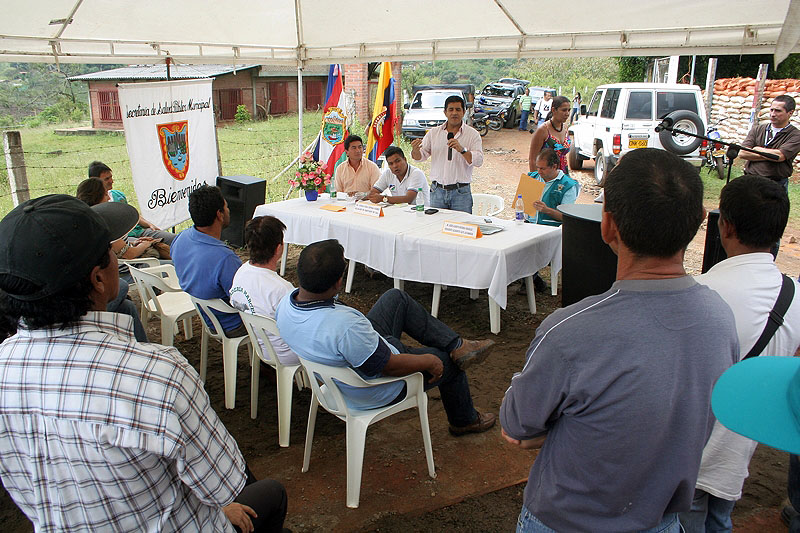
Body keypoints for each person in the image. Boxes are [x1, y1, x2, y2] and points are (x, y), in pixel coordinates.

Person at [0, 195, 287, 532]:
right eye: (112, 251)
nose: (118, 256)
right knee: (272, 494)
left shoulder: (5, 368)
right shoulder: (158, 374)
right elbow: (224, 484)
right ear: (98, 279)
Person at [500, 148, 739, 533]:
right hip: (661, 519)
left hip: (565, 521)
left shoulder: (569, 331)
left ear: (607, 225)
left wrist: (551, 432)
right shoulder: (720, 318)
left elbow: (516, 425)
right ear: (698, 222)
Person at [275, 239, 497, 436]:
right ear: (338, 283)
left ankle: (458, 344)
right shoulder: (345, 326)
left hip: (345, 368)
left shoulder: (285, 305)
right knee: (449, 362)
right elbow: (387, 367)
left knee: (396, 298)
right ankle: (464, 420)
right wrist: (430, 361)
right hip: (373, 389)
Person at [679, 176, 800, 533]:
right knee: (720, 520)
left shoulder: (698, 293)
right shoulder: (795, 295)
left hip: (693, 454)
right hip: (740, 449)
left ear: (725, 225)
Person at [171, 184, 245, 337]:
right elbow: (245, 301)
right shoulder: (225, 258)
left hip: (206, 316)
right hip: (232, 325)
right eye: (226, 206)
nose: (228, 210)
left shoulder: (181, 238)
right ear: (219, 214)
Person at [229, 215, 300, 366]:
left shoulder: (241, 272)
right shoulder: (282, 289)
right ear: (279, 248)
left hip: (260, 345)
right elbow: (300, 327)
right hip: (287, 354)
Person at [410, 95, 484, 213]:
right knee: (436, 224)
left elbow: (479, 161)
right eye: (451, 109)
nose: (454, 113)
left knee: (461, 224)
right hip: (437, 191)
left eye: (458, 109)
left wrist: (462, 150)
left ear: (464, 112)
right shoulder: (434, 133)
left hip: (461, 192)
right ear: (445, 112)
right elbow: (420, 157)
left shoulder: (472, 134)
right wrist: (415, 150)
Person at [520, 148, 579, 293]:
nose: (539, 171)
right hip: (529, 224)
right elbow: (522, 203)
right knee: (513, 244)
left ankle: (529, 280)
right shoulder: (532, 177)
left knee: (528, 246)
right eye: (537, 167)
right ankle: (531, 279)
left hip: (550, 229)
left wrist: (547, 210)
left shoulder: (568, 185)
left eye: (543, 168)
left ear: (554, 166)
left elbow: (567, 217)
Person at [88, 160, 176, 245]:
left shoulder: (118, 195)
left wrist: (149, 225)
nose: (111, 181)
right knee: (155, 250)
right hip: (124, 240)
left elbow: (131, 215)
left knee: (174, 239)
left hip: (139, 231)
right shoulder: (93, 205)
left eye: (111, 177)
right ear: (94, 181)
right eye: (107, 179)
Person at [739, 95, 800, 190]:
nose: (773, 114)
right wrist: (770, 155)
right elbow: (742, 153)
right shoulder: (758, 129)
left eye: (778, 111)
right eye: (771, 110)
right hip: (750, 179)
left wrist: (756, 149)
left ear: (790, 113)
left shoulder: (795, 135)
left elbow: (779, 156)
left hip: (775, 184)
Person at [528, 95, 572, 175]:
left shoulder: (565, 128)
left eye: (569, 110)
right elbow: (532, 159)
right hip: (546, 175)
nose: (567, 113)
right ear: (553, 110)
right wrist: (535, 179)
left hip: (562, 175)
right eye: (564, 110)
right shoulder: (543, 130)